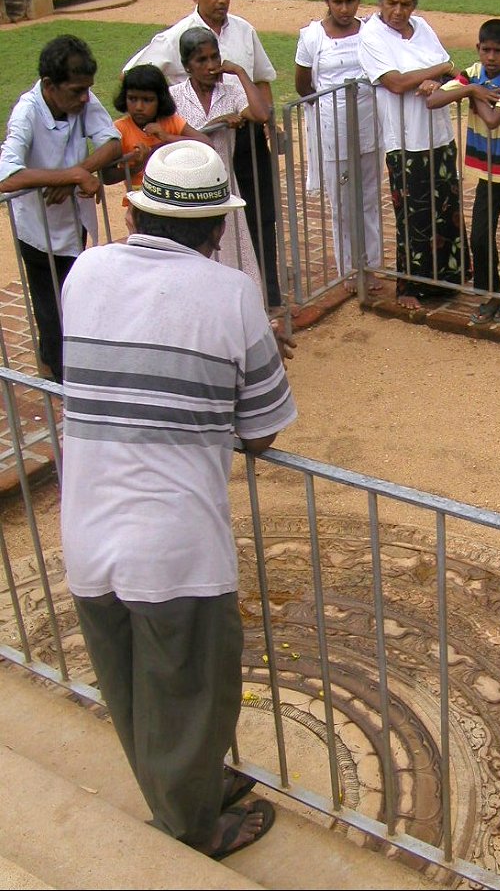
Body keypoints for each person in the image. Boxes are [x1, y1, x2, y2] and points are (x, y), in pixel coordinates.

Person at [60, 139, 297, 859]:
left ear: (135, 212)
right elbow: (261, 429)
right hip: (175, 546)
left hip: (86, 530)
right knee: (195, 692)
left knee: (133, 690)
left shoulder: (86, 270)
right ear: (218, 228)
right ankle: (193, 827)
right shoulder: (229, 293)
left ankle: (186, 787)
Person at [123, 0, 282, 310]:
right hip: (191, 180)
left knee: (248, 235)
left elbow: (261, 98)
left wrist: (239, 75)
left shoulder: (242, 36)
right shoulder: (175, 62)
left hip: (234, 168)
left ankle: (257, 305)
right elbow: (135, 77)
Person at [0, 35, 121, 382]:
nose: (85, 98)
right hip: (36, 231)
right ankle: (58, 378)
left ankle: (68, 364)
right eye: (76, 91)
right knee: (51, 309)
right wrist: (72, 174)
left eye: (88, 90)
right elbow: (6, 176)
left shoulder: (82, 99)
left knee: (75, 297)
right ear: (50, 86)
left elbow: (111, 142)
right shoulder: (26, 112)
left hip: (73, 222)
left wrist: (75, 176)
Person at [358, 0, 465, 310]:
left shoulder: (423, 28)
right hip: (404, 139)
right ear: (380, 1)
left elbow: (452, 71)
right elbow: (396, 82)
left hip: (439, 133)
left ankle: (447, 281)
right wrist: (438, 69)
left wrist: (438, 78)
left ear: (414, 4)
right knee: (413, 215)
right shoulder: (372, 35)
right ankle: (409, 287)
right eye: (392, 3)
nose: (398, 11)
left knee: (445, 208)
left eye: (405, 4)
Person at [428, 18, 500, 324]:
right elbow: (434, 100)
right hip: (488, 173)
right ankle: (493, 293)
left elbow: (492, 119)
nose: (490, 57)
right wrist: (474, 89)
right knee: (479, 237)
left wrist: (469, 93)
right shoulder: (473, 75)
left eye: (498, 51)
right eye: (485, 50)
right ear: (478, 48)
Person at [294, 0, 382, 293]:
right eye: (338, 2)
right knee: (342, 204)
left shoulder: (372, 30)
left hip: (369, 125)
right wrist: (329, 109)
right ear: (327, 1)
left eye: (350, 1)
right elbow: (303, 84)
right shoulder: (312, 37)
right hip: (333, 133)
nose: (344, 9)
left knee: (369, 198)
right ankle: (348, 269)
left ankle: (370, 266)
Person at [170, 26, 270, 289]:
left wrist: (239, 72)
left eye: (215, 57)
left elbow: (261, 114)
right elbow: (169, 137)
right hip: (187, 193)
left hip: (224, 187)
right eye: (201, 60)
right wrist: (215, 123)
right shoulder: (174, 97)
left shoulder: (231, 93)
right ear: (187, 65)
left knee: (235, 253)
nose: (211, 66)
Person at [104, 64, 209, 190]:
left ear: (160, 100)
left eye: (147, 100)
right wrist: (138, 166)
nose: (139, 107)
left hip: (176, 194)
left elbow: (207, 143)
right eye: (132, 99)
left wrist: (167, 137)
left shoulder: (171, 122)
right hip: (140, 201)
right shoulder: (120, 129)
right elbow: (107, 177)